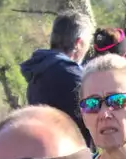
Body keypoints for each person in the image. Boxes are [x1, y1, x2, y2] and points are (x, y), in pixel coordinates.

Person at [21, 13, 94, 146]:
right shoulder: (73, 77)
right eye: (87, 44)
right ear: (78, 43)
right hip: (67, 150)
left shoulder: (40, 68)